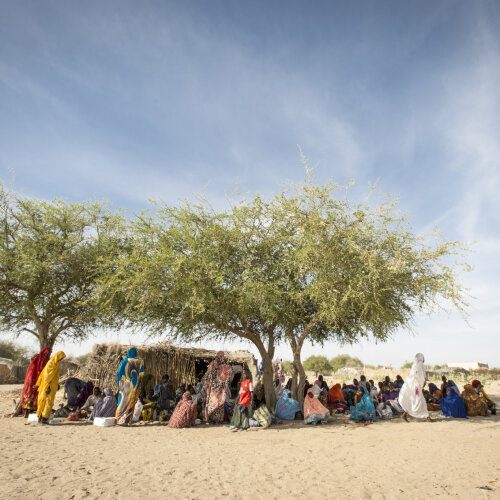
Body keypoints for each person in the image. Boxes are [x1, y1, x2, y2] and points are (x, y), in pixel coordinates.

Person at [398, 353, 431, 422]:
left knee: (415, 401)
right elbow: (420, 375)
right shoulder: (420, 364)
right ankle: (428, 417)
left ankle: (404, 415)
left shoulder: (414, 365)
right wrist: (424, 380)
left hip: (412, 387)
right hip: (416, 387)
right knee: (420, 402)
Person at [35, 351, 66, 424]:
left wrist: (57, 384)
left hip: (53, 385)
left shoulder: (56, 364)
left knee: (49, 402)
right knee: (47, 402)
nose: (61, 359)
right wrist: (48, 387)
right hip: (48, 386)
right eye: (61, 357)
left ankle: (43, 418)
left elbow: (54, 376)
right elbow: (47, 377)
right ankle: (43, 418)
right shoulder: (51, 363)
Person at [116, 347, 144, 425]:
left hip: (125, 386)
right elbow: (141, 374)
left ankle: (120, 420)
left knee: (123, 402)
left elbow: (119, 372)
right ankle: (128, 420)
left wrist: (120, 383)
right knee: (131, 402)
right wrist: (138, 385)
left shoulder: (125, 360)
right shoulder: (140, 361)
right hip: (135, 387)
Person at [202, 351, 232, 424]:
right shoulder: (225, 365)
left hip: (214, 388)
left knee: (215, 402)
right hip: (219, 388)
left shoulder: (213, 364)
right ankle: (216, 419)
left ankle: (212, 419)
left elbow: (207, 375)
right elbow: (229, 377)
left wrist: (206, 382)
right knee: (218, 402)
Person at [21, 347, 51, 417]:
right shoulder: (43, 359)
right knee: (33, 394)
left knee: (30, 394)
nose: (48, 354)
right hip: (36, 379)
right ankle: (31, 410)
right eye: (47, 353)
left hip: (31, 378)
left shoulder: (37, 357)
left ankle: (29, 410)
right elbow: (41, 369)